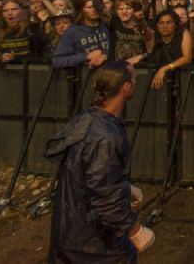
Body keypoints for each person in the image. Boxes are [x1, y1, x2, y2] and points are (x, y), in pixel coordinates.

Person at [45, 61, 155, 262]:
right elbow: (105, 197)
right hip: (93, 245)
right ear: (125, 87)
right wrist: (135, 230)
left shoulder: (87, 118)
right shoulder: (105, 137)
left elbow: (88, 172)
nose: (136, 82)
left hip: (72, 234)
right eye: (134, 78)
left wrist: (123, 187)